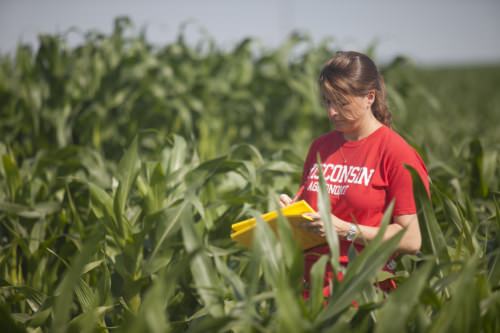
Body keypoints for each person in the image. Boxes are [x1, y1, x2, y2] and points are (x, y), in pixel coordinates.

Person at [279, 51, 430, 298]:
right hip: (310, 292)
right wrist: (291, 213)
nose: (332, 112)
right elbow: (315, 209)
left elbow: (411, 240)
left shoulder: (397, 153)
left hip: (362, 298)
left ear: (369, 97)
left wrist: (346, 230)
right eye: (327, 101)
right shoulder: (320, 147)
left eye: (341, 103)